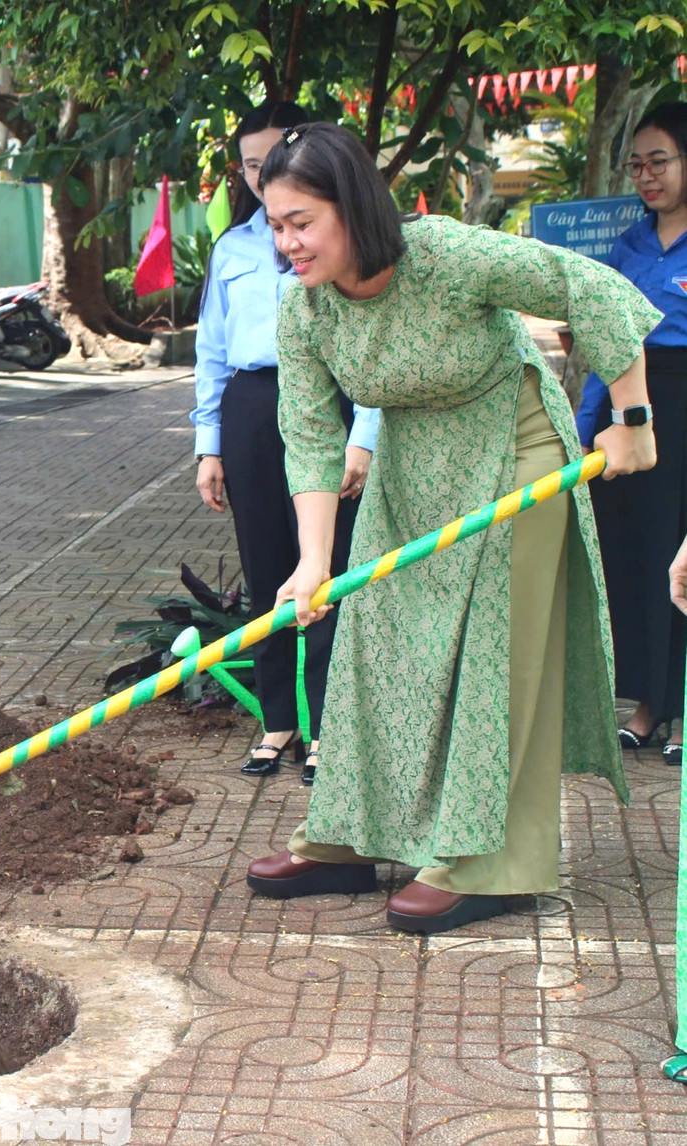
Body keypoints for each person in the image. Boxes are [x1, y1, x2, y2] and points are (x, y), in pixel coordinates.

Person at [243, 123, 660, 934]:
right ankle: (347, 836)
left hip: (515, 443)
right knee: (373, 638)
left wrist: (633, 417)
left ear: (352, 209)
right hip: (410, 464)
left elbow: (593, 289)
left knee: (496, 655)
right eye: (276, 224)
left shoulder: (444, 255)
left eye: (302, 222)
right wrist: (313, 563)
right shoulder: (307, 311)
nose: (287, 242)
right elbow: (313, 436)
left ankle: (491, 863)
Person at [192, 100, 379, 784]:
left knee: (329, 564)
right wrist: (209, 445)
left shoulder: (341, 249)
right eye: (250, 164)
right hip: (249, 404)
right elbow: (210, 349)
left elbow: (374, 354)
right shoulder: (233, 248)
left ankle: (331, 723)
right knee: (267, 564)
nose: (261, 174)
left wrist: (363, 435)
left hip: (333, 397)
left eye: (274, 160)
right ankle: (278, 719)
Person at [574, 102, 687, 767]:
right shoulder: (628, 245)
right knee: (640, 560)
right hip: (634, 416)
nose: (647, 176)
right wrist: (589, 429)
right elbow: (607, 348)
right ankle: (647, 705)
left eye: (661, 161)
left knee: (683, 562)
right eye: (637, 164)